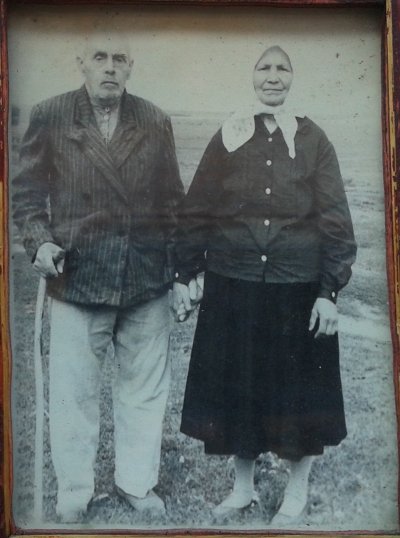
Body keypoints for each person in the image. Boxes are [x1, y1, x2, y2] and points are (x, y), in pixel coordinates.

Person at [173, 45, 357, 525]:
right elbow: (197, 208)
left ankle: (296, 492)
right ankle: (243, 489)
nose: (273, 77)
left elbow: (336, 219)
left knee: (299, 395)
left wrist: (329, 292)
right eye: (264, 68)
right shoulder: (229, 135)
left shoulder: (313, 139)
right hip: (233, 285)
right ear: (251, 77)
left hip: (296, 289)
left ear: (293, 78)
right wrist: (187, 272)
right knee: (241, 389)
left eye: (282, 68)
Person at [13, 35, 184, 523]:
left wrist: (179, 273)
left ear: (131, 66)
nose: (110, 67)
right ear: (81, 63)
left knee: (143, 389)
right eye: (100, 57)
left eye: (119, 59)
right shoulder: (51, 114)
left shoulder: (154, 120)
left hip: (144, 277)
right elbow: (27, 195)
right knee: (74, 394)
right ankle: (74, 490)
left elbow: (173, 202)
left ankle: (137, 484)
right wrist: (39, 242)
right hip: (77, 276)